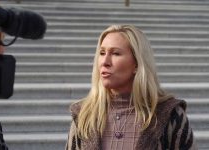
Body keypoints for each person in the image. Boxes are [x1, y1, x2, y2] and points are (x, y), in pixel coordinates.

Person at [65, 25, 197, 150]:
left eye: (116, 53)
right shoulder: (84, 115)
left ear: (137, 65)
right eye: (102, 52)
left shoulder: (170, 115)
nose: (105, 62)